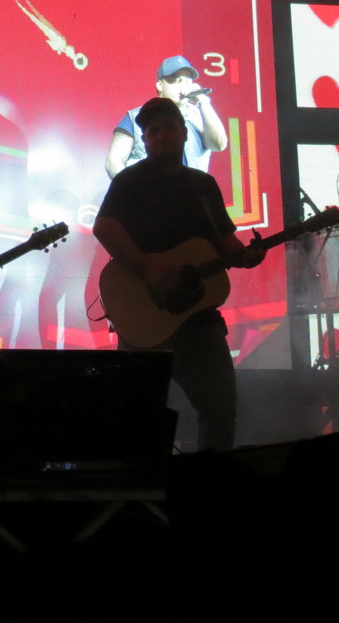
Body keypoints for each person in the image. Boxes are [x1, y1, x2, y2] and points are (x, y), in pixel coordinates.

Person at [94, 97, 263, 450]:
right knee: (136, 416)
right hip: (143, 315)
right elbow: (104, 227)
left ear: (185, 133)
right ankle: (142, 481)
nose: (161, 135)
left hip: (198, 320)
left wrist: (247, 257)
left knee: (220, 409)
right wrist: (150, 269)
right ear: (145, 140)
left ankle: (207, 482)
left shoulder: (203, 185)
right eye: (152, 131)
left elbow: (225, 241)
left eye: (168, 128)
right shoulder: (128, 182)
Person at [105, 55, 227, 178]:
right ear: (160, 85)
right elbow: (113, 161)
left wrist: (203, 101)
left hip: (189, 189)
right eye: (177, 80)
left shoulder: (201, 116)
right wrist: (130, 187)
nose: (183, 86)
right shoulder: (136, 117)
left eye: (187, 81)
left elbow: (218, 145)